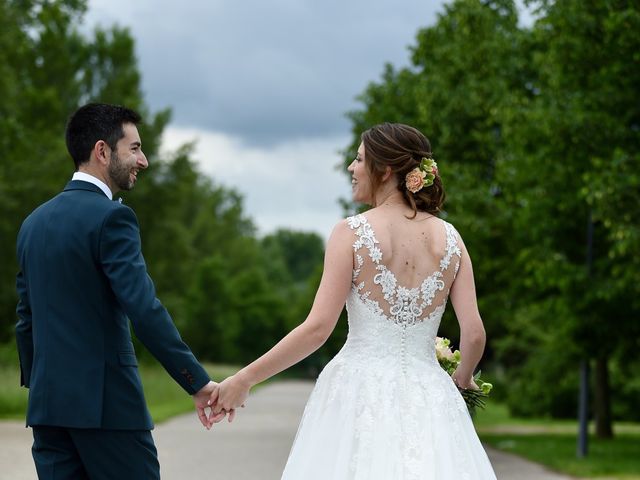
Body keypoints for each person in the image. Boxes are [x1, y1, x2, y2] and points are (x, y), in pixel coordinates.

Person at [210, 122, 497, 478]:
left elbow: (317, 330)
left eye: (359, 159)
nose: (351, 167)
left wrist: (245, 378)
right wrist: (462, 379)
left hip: (357, 394)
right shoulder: (451, 239)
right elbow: (473, 336)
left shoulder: (351, 233)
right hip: (431, 395)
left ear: (385, 169)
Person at [15, 103, 223, 480]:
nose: (143, 160)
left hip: (47, 411)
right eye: (135, 148)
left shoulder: (33, 223)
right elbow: (144, 310)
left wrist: (42, 383)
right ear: (102, 151)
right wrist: (195, 380)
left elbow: (26, 320)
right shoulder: (113, 217)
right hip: (107, 408)